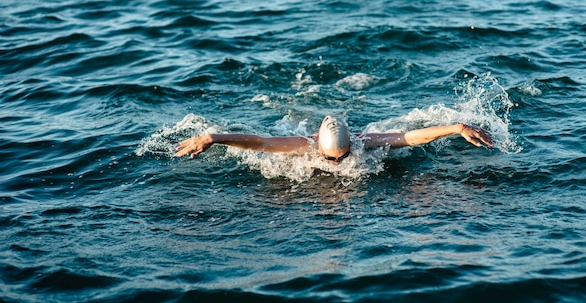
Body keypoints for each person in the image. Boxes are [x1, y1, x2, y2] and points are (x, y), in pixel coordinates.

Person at [175, 115, 494, 164]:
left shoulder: (363, 142)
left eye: (344, 156)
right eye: (334, 158)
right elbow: (259, 142)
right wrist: (213, 137)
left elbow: (409, 136)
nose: (341, 162)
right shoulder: (305, 146)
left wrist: (456, 127)